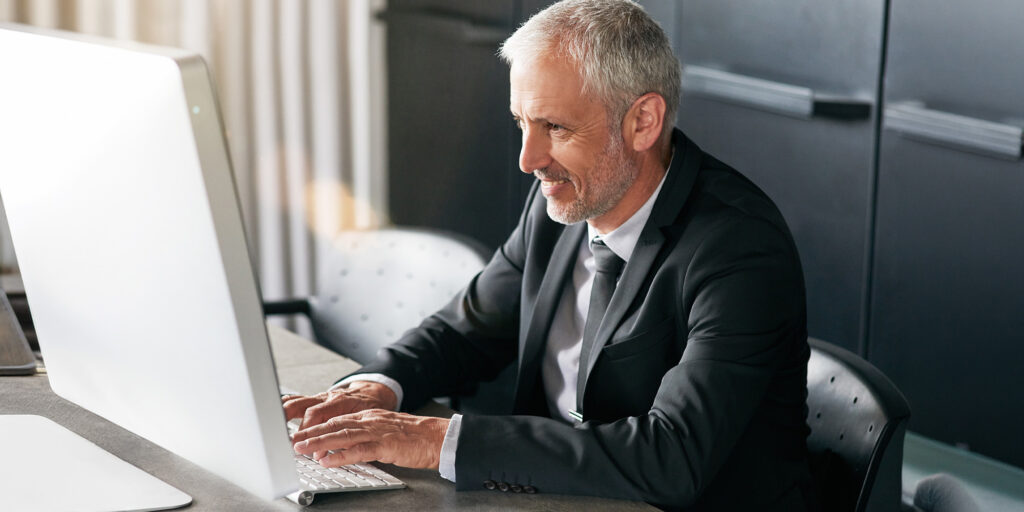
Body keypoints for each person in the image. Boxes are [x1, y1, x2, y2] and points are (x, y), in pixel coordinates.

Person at [285, 0, 816, 509]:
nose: (528, 159)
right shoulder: (563, 200)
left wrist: (437, 441)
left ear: (643, 122)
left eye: (555, 127)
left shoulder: (740, 249)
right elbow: (462, 331)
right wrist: (375, 389)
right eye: (522, 123)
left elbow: (670, 457)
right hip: (553, 493)